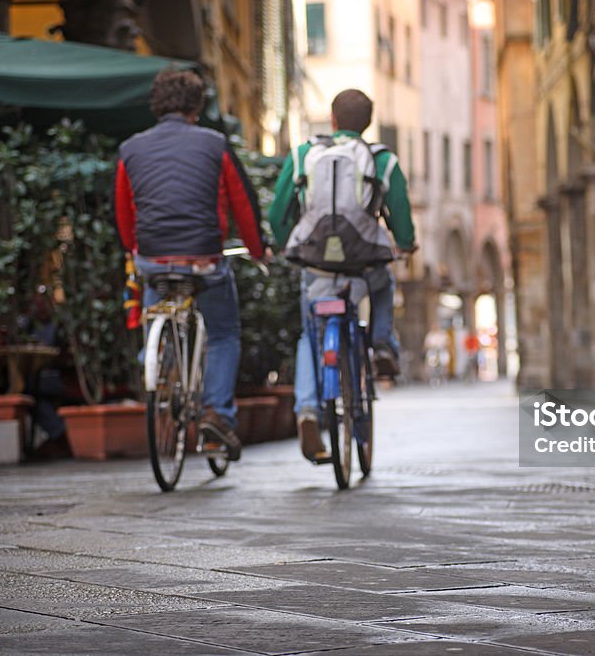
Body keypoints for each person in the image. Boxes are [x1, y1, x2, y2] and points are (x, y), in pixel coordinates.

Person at [114, 69, 265, 461]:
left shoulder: (130, 149)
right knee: (223, 332)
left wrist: (136, 249)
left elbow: (124, 215)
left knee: (155, 297)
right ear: (198, 106)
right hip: (203, 261)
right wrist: (258, 249)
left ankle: (159, 360)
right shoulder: (215, 144)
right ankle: (217, 412)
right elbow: (243, 206)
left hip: (153, 259)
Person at [269, 88, 416, 461]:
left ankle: (306, 410)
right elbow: (400, 220)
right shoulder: (382, 160)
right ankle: (382, 343)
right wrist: (405, 244)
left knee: (309, 336)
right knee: (385, 282)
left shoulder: (304, 155)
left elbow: (277, 213)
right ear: (368, 124)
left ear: (332, 120)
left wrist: (287, 245)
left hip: (316, 268)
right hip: (364, 269)